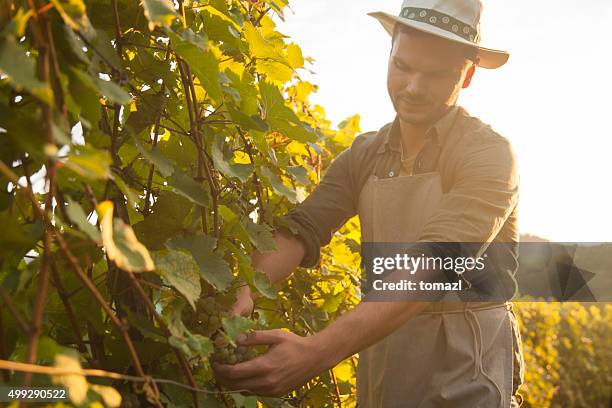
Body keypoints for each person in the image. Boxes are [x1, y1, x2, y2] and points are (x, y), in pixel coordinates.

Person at [215, 0, 525, 406]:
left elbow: (436, 264)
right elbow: (304, 227)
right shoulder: (365, 154)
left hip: (466, 369)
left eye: (435, 75)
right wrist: (247, 289)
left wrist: (316, 352)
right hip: (383, 357)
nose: (413, 86)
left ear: (466, 75)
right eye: (402, 66)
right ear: (390, 54)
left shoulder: (489, 155)